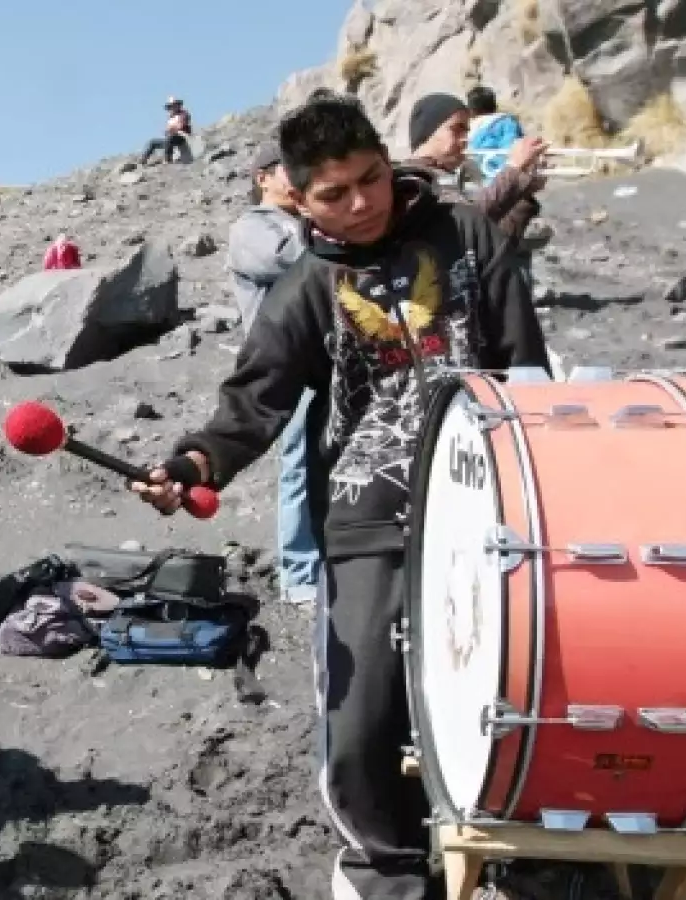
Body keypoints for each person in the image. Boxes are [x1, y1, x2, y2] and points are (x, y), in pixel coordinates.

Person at [132, 96, 549, 899]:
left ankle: (515, 853)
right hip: (366, 525)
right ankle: (383, 872)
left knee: (509, 696)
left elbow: (525, 370)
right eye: (334, 193)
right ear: (297, 195)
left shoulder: (466, 236)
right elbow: (250, 405)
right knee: (359, 727)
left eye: (370, 178)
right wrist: (191, 467)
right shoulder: (305, 285)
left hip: (491, 513)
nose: (361, 202)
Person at [224, 142, 319, 606]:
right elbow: (293, 260)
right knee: (299, 464)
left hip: (328, 361)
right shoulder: (251, 228)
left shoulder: (301, 222)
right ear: (263, 176)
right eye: (292, 170)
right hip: (287, 365)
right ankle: (300, 574)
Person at [401, 91, 548, 251]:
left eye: (466, 131)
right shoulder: (412, 180)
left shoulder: (446, 177)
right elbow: (466, 224)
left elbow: (491, 236)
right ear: (428, 132)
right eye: (457, 129)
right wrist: (513, 169)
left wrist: (524, 192)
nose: (466, 139)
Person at [465, 85, 526, 185]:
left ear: (471, 108)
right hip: (499, 179)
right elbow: (510, 148)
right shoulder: (507, 122)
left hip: (481, 180)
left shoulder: (467, 127)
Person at [139, 96, 194, 165]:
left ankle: (168, 160)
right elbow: (168, 130)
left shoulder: (183, 114)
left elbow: (182, 125)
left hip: (181, 136)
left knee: (171, 138)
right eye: (171, 106)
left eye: (174, 105)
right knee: (153, 142)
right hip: (171, 138)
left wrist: (174, 129)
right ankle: (143, 159)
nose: (172, 108)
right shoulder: (170, 118)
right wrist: (168, 131)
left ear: (178, 105)